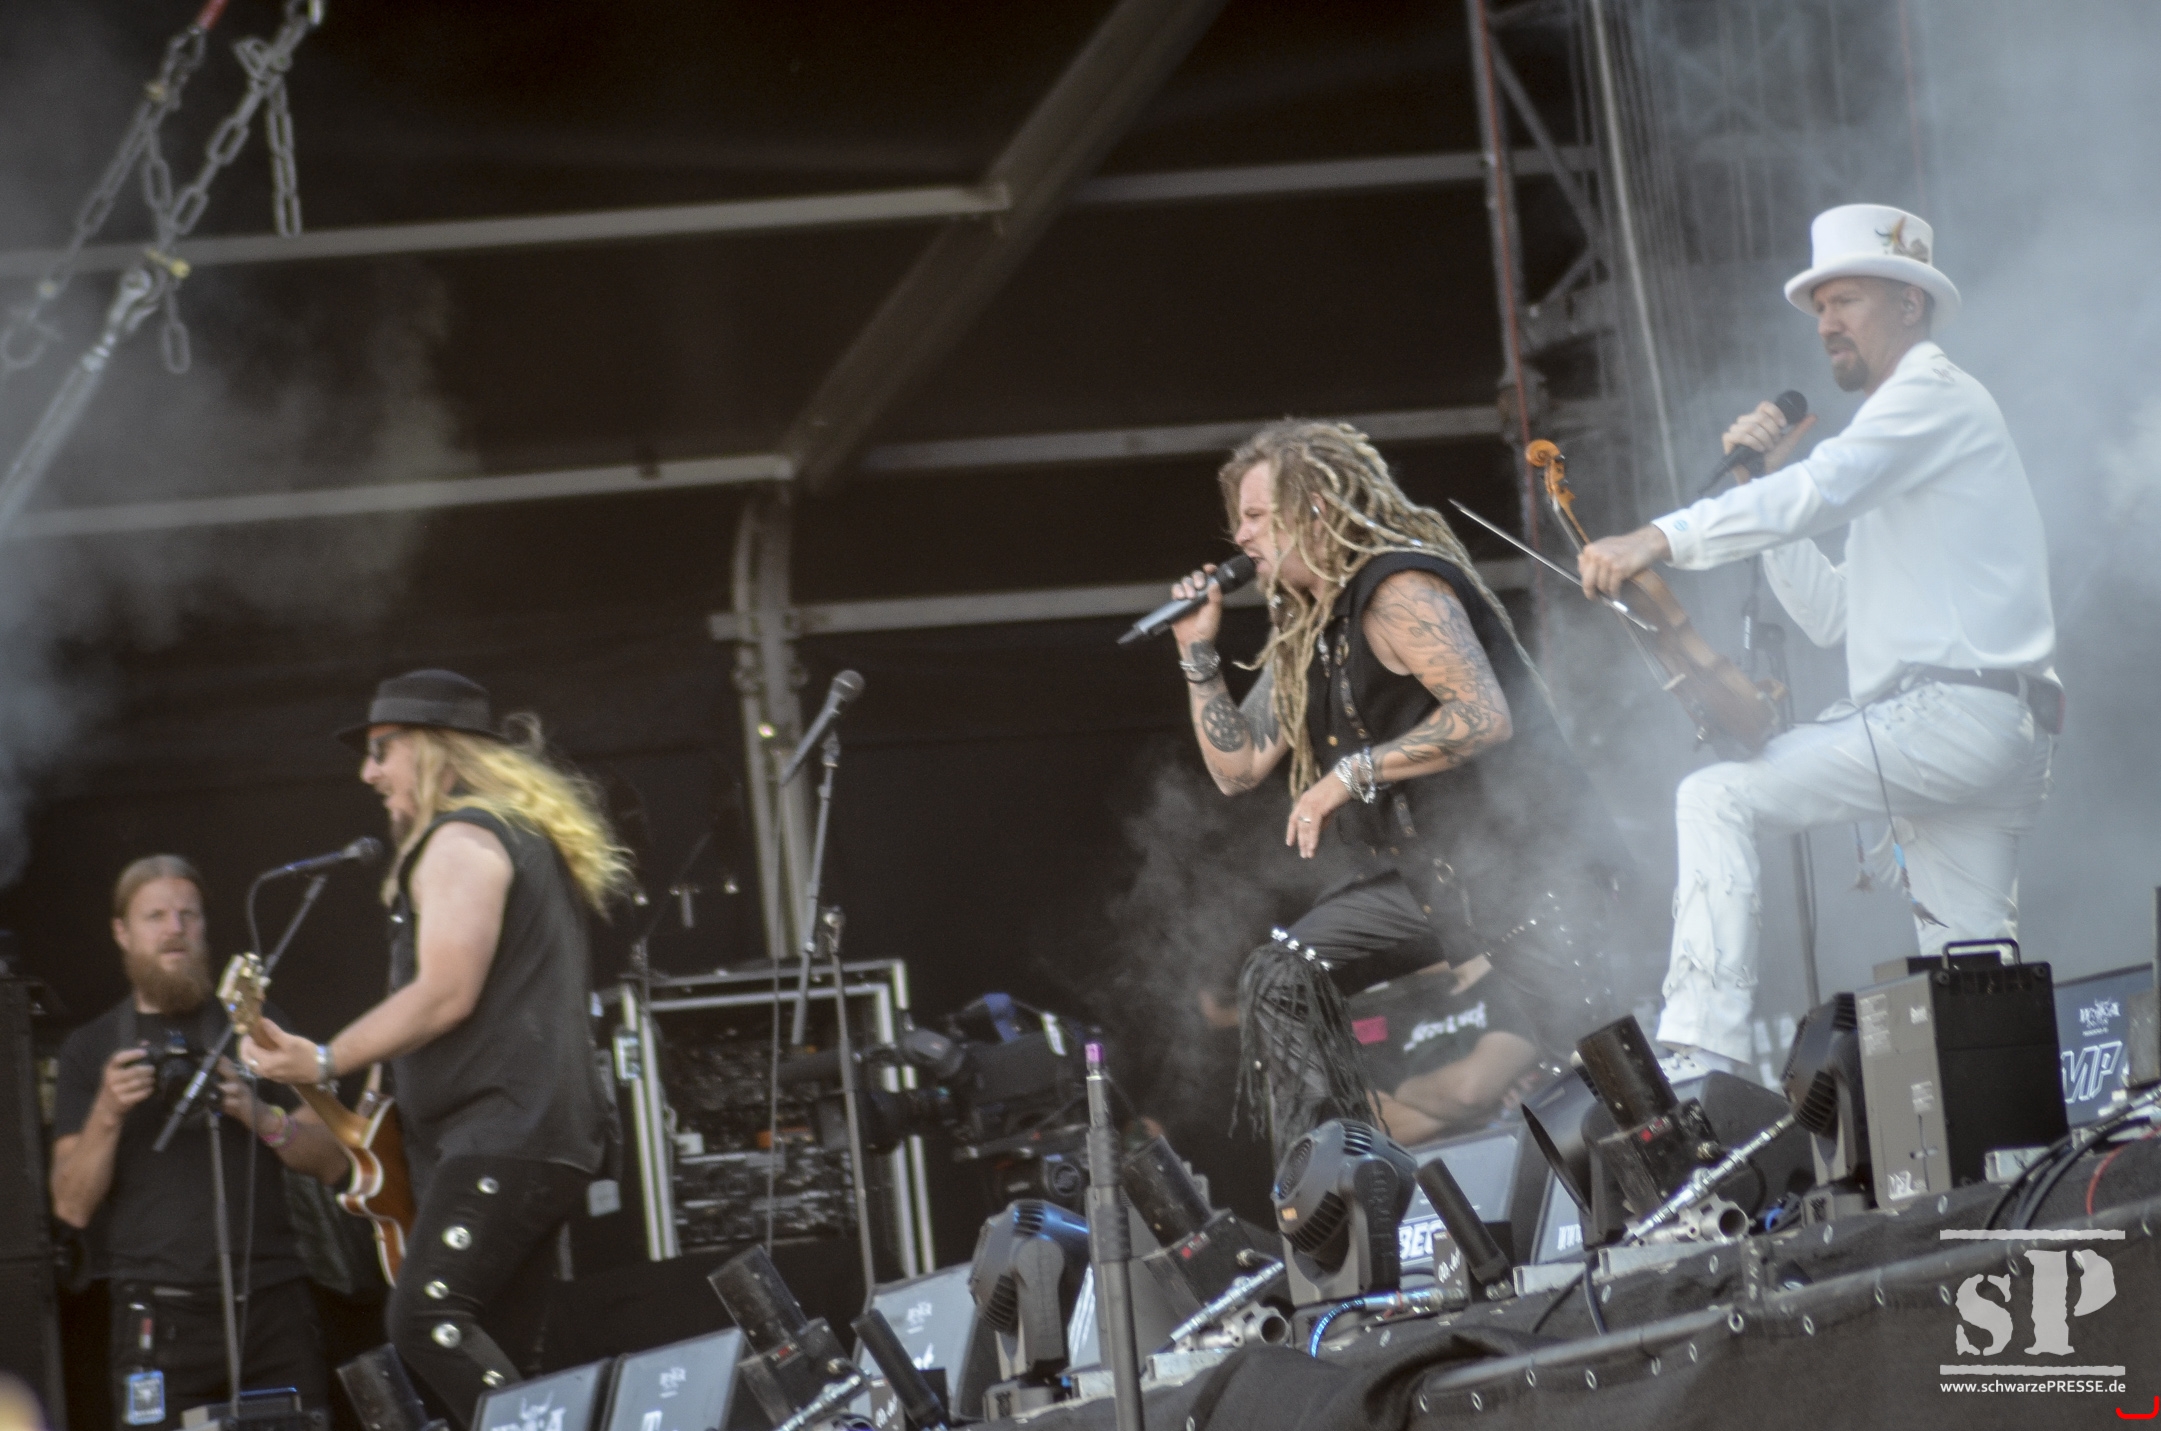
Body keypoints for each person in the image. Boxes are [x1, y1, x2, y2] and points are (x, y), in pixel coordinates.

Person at [1577, 203, 2059, 1071]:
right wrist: (1757, 483)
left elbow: (1820, 489)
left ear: (1909, 303)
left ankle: (1701, 1056)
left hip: (1949, 715)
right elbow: (1833, 614)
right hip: (1978, 720)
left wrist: (1660, 535)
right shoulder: (1905, 430)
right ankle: (2006, 1138)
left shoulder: (1928, 394)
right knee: (1973, 968)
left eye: (1845, 300)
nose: (1826, 322)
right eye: (1819, 307)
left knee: (1715, 797)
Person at [1170, 420, 1636, 1162]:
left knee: (1603, 1072)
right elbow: (1239, 767)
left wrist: (1349, 774)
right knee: (1281, 974)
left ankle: (1678, 1179)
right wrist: (1198, 655)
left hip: (1527, 866)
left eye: (1256, 515)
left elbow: (1482, 716)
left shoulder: (1399, 588)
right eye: (1238, 521)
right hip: (1431, 881)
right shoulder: (1309, 633)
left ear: (1314, 507)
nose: (1240, 535)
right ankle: (1339, 1172)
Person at [239, 670, 630, 1423]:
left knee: (425, 1317)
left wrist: (324, 1060)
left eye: (382, 749)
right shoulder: (513, 835)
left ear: (434, 749)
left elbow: (447, 991)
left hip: (506, 1132)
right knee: (503, 1340)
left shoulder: (461, 839)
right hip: (531, 1133)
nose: (368, 772)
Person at [50, 856, 344, 1431]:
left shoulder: (257, 1027)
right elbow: (71, 1206)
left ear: (206, 926)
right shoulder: (92, 1048)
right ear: (121, 932)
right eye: (155, 916)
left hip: (270, 1305)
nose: (175, 928)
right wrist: (108, 1110)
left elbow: (336, 1159)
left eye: (189, 914)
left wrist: (258, 1114)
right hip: (157, 1314)